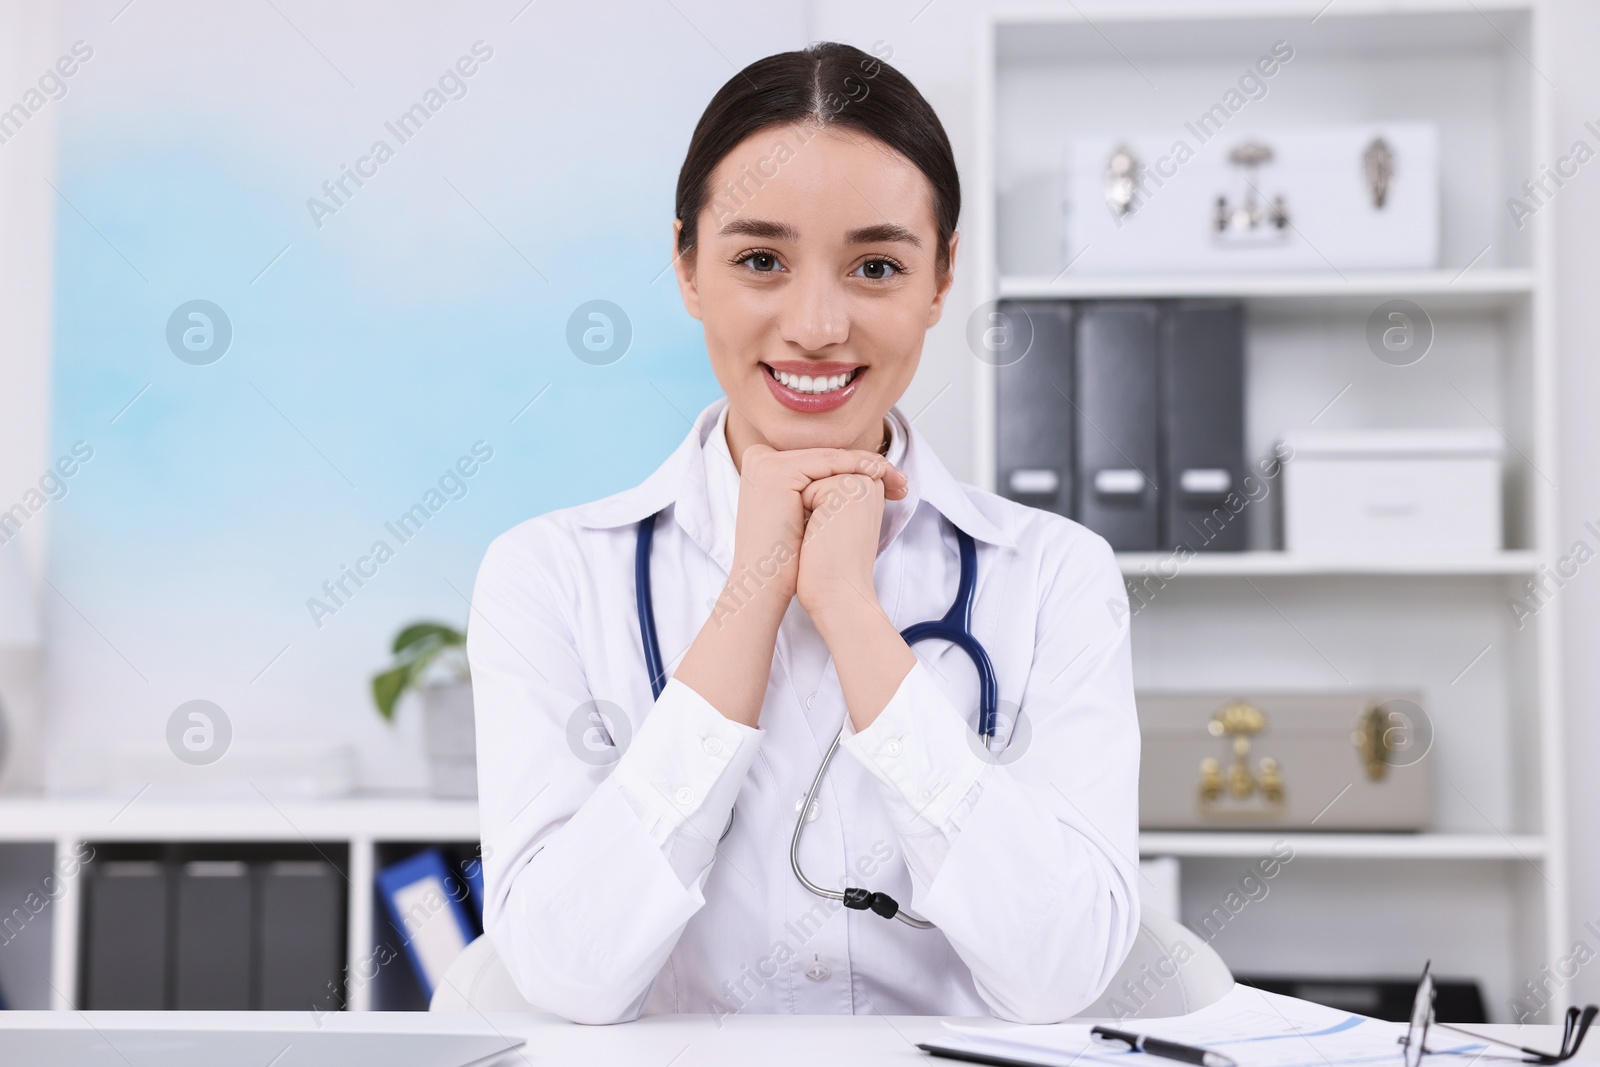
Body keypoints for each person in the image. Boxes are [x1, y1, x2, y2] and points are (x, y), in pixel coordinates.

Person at [468, 41, 1139, 1025]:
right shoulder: (549, 573)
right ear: (687, 267)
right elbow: (568, 973)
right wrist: (753, 594)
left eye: (875, 264)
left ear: (941, 275)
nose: (818, 323)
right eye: (759, 260)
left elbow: (1060, 971)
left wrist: (848, 609)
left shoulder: (1054, 574)